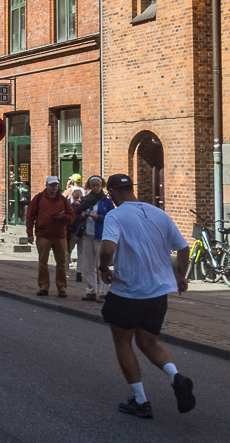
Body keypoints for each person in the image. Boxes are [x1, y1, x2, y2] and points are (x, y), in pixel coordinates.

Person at [97, 173, 195, 419]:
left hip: (128, 291)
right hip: (158, 293)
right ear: (131, 189)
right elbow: (184, 248)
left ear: (114, 194)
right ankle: (176, 377)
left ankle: (141, 400)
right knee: (148, 342)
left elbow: (108, 248)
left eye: (111, 195)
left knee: (123, 342)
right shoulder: (159, 214)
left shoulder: (115, 215)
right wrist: (181, 275)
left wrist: (103, 268)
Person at [26, 176, 75, 297]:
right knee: (43, 262)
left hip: (59, 235)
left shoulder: (63, 200)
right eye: (51, 185)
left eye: (56, 185)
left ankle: (62, 288)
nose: (54, 188)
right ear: (47, 185)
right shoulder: (39, 199)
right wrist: (30, 234)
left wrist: (63, 218)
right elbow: (30, 216)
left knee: (62, 263)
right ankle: (44, 286)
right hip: (43, 234)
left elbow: (72, 215)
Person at [76, 175, 115, 301]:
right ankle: (91, 291)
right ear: (89, 187)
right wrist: (82, 215)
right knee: (88, 264)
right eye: (93, 185)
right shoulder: (85, 200)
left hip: (100, 236)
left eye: (98, 185)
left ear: (102, 186)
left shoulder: (107, 201)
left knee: (102, 264)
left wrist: (99, 218)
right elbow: (77, 216)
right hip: (87, 234)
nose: (95, 188)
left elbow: (111, 218)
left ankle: (103, 292)